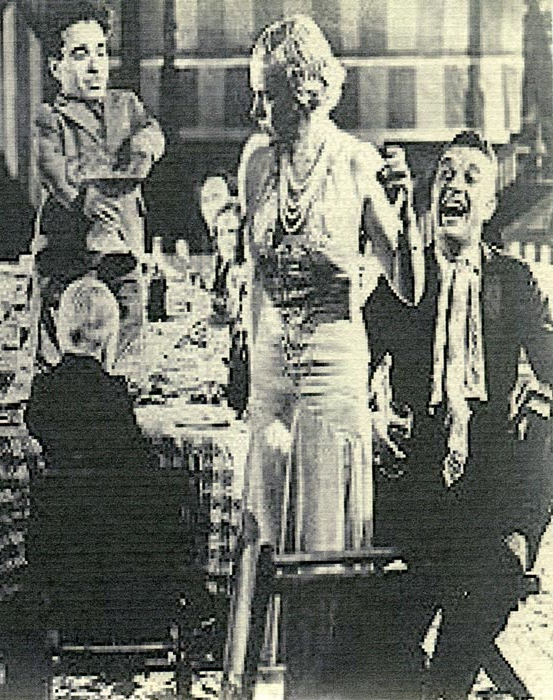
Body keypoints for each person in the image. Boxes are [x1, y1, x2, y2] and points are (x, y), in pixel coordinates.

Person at [223, 14, 424, 693]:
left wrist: (407, 212)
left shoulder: (357, 163)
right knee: (264, 526)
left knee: (324, 532)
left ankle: (321, 681)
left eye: (267, 95)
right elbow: (253, 279)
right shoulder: (256, 162)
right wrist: (251, 373)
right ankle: (260, 677)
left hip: (335, 368)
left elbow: (407, 286)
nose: (256, 109)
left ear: (305, 92)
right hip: (270, 371)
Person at [365, 131, 553, 700]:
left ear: (489, 206)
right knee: (374, 643)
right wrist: (370, 417)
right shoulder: (402, 281)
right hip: (415, 492)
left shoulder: (513, 282)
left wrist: (539, 409)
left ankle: (444, 683)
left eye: (472, 178)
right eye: (446, 173)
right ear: (430, 196)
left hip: (488, 494)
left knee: (488, 574)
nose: (455, 185)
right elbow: (352, 361)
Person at [26, 277, 191, 648]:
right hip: (115, 550)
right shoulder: (114, 393)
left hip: (61, 545)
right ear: (109, 335)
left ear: (60, 326)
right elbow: (137, 469)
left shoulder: (42, 389)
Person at [32, 0, 165, 367]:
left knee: (127, 339)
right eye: (80, 54)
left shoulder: (127, 105)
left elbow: (153, 131)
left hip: (122, 248)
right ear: (56, 67)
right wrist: (82, 200)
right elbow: (50, 167)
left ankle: (120, 385)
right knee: (63, 351)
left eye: (101, 52)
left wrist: (145, 146)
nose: (94, 66)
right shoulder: (50, 118)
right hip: (67, 255)